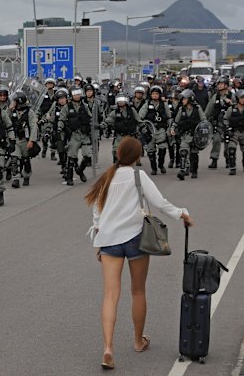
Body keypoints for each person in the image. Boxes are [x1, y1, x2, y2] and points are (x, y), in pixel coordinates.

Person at [84, 136, 193, 370]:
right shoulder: (138, 176)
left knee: (110, 295)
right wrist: (181, 214)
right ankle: (137, 341)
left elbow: (97, 211)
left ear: (118, 154)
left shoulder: (107, 177)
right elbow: (160, 203)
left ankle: (108, 348)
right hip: (135, 238)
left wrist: (98, 241)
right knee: (138, 291)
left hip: (109, 240)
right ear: (138, 156)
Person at [171, 89, 207, 180]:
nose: (182, 101)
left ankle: (194, 171)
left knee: (194, 154)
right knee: (183, 152)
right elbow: (176, 121)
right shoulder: (181, 109)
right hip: (185, 135)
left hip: (196, 135)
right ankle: (183, 170)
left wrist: (203, 132)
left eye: (184, 99)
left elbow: (204, 120)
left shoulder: (198, 108)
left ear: (189, 99)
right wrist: (172, 129)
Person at [138, 86, 172, 175]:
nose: (155, 95)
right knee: (151, 150)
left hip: (161, 129)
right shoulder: (147, 104)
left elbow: (169, 117)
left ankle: (161, 165)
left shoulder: (164, 105)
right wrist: (142, 127)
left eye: (156, 94)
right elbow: (140, 116)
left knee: (162, 148)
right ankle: (154, 168)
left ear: (159, 95)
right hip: (150, 129)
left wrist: (170, 127)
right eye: (153, 94)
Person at [9, 90, 38, 188]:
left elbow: (34, 126)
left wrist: (31, 140)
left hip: (25, 140)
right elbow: (4, 120)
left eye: (14, 101)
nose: (12, 102)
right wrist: (9, 109)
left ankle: (26, 176)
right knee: (14, 159)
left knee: (26, 160)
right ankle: (16, 178)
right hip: (15, 139)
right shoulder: (12, 111)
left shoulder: (29, 112)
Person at [204, 76, 233, 169]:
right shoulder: (215, 97)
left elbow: (238, 107)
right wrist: (204, 120)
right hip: (217, 123)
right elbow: (208, 109)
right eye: (219, 84)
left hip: (229, 124)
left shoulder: (232, 96)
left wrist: (231, 103)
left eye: (221, 84)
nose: (219, 86)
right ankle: (214, 159)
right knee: (216, 140)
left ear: (226, 85)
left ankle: (228, 159)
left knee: (228, 142)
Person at [224, 90, 244, 175]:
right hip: (234, 132)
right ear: (237, 98)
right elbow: (225, 119)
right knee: (231, 149)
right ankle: (232, 167)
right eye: (242, 98)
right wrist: (227, 128)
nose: (243, 100)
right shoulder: (231, 108)